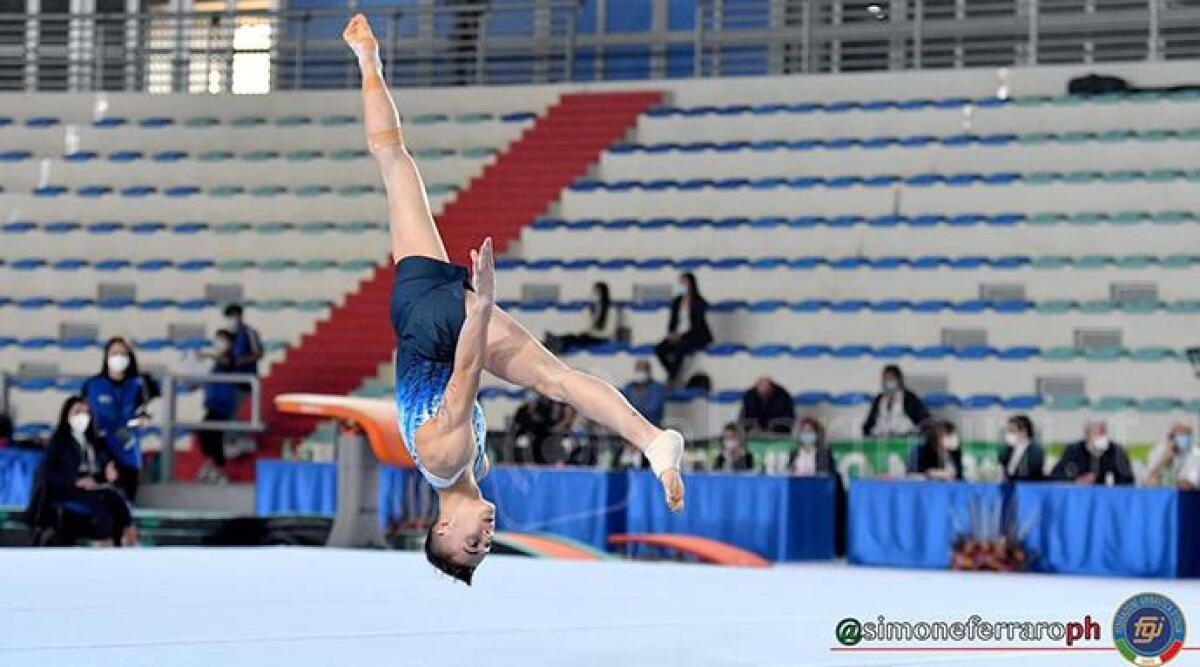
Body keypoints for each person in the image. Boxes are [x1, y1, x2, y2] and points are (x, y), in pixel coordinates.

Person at [342, 13, 684, 585]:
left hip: (440, 333)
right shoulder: (466, 466)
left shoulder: (445, 459)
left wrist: (480, 307)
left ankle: (652, 440)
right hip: (417, 315)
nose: (486, 537)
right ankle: (368, 59)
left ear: (442, 530)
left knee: (552, 378)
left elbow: (467, 371)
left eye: (472, 544)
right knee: (395, 162)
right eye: (488, 547)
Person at [40, 396, 136, 546]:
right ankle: (125, 535)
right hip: (69, 489)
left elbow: (101, 470)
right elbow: (48, 473)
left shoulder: (95, 443)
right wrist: (75, 481)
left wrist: (107, 474)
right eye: (77, 412)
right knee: (108, 497)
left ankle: (116, 539)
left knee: (109, 501)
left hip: (94, 489)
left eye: (86, 412)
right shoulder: (59, 442)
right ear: (67, 415)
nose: (82, 417)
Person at [81, 337, 159, 501]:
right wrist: (105, 458)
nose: (119, 357)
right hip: (100, 454)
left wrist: (131, 424)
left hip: (129, 455)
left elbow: (146, 416)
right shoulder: (93, 385)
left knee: (125, 505)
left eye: (123, 353)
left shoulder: (140, 384)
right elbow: (88, 422)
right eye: (114, 353)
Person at [654, 272, 713, 385]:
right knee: (659, 349)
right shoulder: (677, 302)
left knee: (681, 348)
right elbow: (672, 321)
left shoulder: (699, 302)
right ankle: (672, 373)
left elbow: (698, 325)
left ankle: (672, 377)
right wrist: (671, 334)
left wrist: (681, 336)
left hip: (694, 335)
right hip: (678, 334)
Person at [195, 329, 238, 484]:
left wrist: (208, 355)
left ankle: (218, 471)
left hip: (223, 405)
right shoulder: (215, 364)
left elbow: (227, 363)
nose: (219, 343)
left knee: (213, 436)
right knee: (207, 435)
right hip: (212, 403)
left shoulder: (230, 358)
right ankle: (214, 468)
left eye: (222, 340)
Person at [1051, 420, 1134, 486]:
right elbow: (1056, 476)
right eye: (1095, 433)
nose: (1099, 437)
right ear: (1087, 436)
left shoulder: (1117, 451)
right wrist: (1076, 481)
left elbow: (1128, 479)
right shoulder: (1073, 450)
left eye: (1102, 433)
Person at [544, 281, 617, 353]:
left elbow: (608, 332)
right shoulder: (597, 308)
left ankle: (554, 346)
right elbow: (591, 326)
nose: (595, 295)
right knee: (571, 336)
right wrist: (589, 332)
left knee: (574, 339)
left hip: (602, 338)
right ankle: (550, 343)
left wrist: (592, 333)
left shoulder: (611, 310)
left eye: (597, 293)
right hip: (593, 335)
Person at [862, 364, 929, 437]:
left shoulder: (909, 397)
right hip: (881, 437)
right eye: (885, 378)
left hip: (904, 436)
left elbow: (924, 420)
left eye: (891, 378)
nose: (887, 381)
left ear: (898, 380)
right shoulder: (879, 398)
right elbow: (869, 422)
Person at [1145, 423, 1199, 489]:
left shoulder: (1196, 454)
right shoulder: (1157, 451)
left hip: (1186, 496)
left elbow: (1189, 484)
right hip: (1163, 494)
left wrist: (1167, 483)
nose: (1185, 437)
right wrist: (1164, 460)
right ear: (1172, 436)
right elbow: (1149, 480)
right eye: (1181, 433)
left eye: (1187, 434)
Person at [621, 359, 667, 428]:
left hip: (653, 426)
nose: (640, 372)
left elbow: (652, 409)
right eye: (638, 370)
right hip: (632, 426)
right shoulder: (629, 387)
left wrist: (632, 412)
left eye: (642, 370)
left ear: (648, 371)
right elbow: (622, 404)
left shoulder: (657, 388)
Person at [997, 414, 1045, 482]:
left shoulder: (1035, 449)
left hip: (1028, 486)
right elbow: (1000, 464)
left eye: (1012, 431)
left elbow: (1030, 472)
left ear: (1023, 432)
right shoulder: (1008, 448)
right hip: (1009, 485)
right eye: (1008, 431)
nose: (1008, 434)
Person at [223, 304, 264, 377]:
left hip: (247, 375)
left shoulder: (249, 332)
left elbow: (259, 354)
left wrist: (242, 360)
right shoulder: (226, 334)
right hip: (231, 376)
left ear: (240, 316)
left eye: (234, 316)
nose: (232, 319)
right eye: (229, 316)